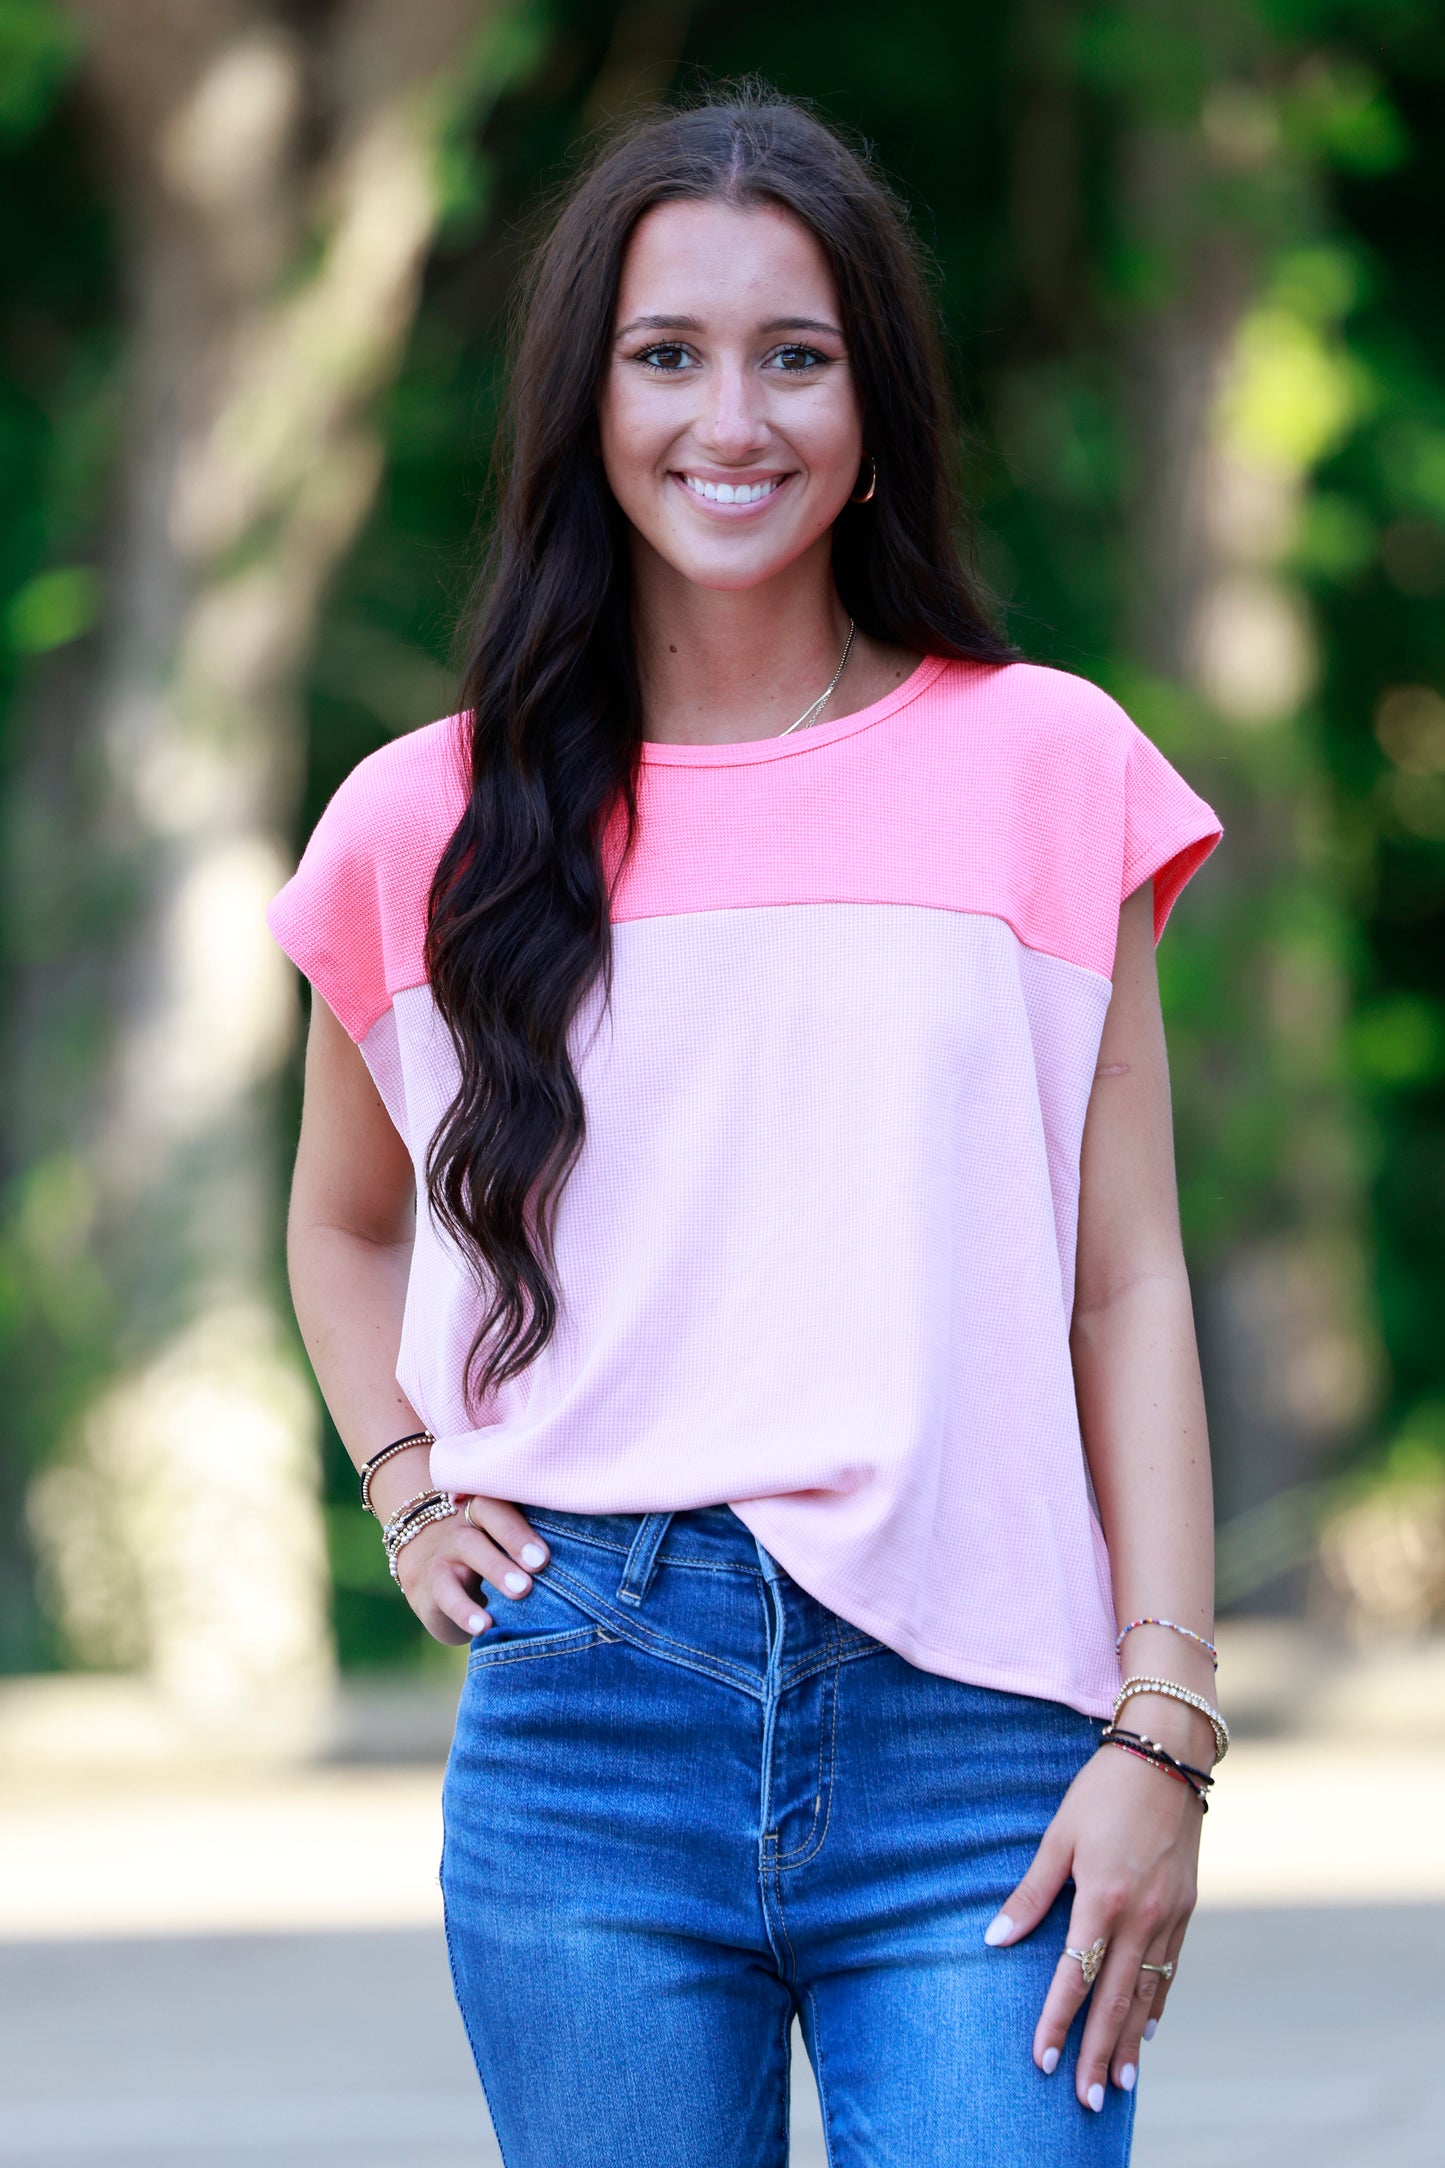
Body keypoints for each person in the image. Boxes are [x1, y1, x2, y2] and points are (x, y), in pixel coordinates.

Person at [271, 87, 1225, 2168]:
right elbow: (346, 1228)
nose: (736, 416)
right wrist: (406, 1478)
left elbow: (1124, 1276)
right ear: (585, 406)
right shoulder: (421, 823)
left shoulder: (1044, 762)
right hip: (588, 1737)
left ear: (873, 405)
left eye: (797, 355)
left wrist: (1168, 1717)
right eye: (668, 354)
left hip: (985, 1733)